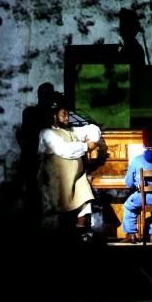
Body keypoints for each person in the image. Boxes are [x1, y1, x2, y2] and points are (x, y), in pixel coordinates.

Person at [38, 102, 104, 238]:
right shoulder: (47, 133)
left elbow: (93, 129)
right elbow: (65, 150)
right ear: (54, 116)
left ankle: (80, 232)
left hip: (76, 176)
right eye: (63, 115)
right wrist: (86, 146)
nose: (67, 117)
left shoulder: (73, 130)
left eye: (67, 114)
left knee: (84, 197)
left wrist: (92, 140)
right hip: (56, 178)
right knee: (56, 206)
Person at [18, 82, 57, 230]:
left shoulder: (31, 112)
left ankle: (34, 226)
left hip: (36, 158)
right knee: (34, 195)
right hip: (35, 158)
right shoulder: (37, 113)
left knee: (34, 195)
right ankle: (35, 226)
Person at [123, 128, 152, 242]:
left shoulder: (136, 160)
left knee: (128, 206)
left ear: (143, 144)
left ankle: (131, 234)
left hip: (143, 197)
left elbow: (129, 183)